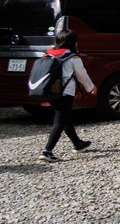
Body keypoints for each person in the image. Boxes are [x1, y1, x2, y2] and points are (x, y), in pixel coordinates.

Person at [37, 30, 97, 162]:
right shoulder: (73, 58)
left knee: (65, 117)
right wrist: (91, 88)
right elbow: (82, 75)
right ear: (73, 43)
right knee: (60, 121)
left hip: (49, 92)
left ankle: (78, 144)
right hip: (65, 93)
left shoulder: (47, 54)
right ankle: (47, 151)